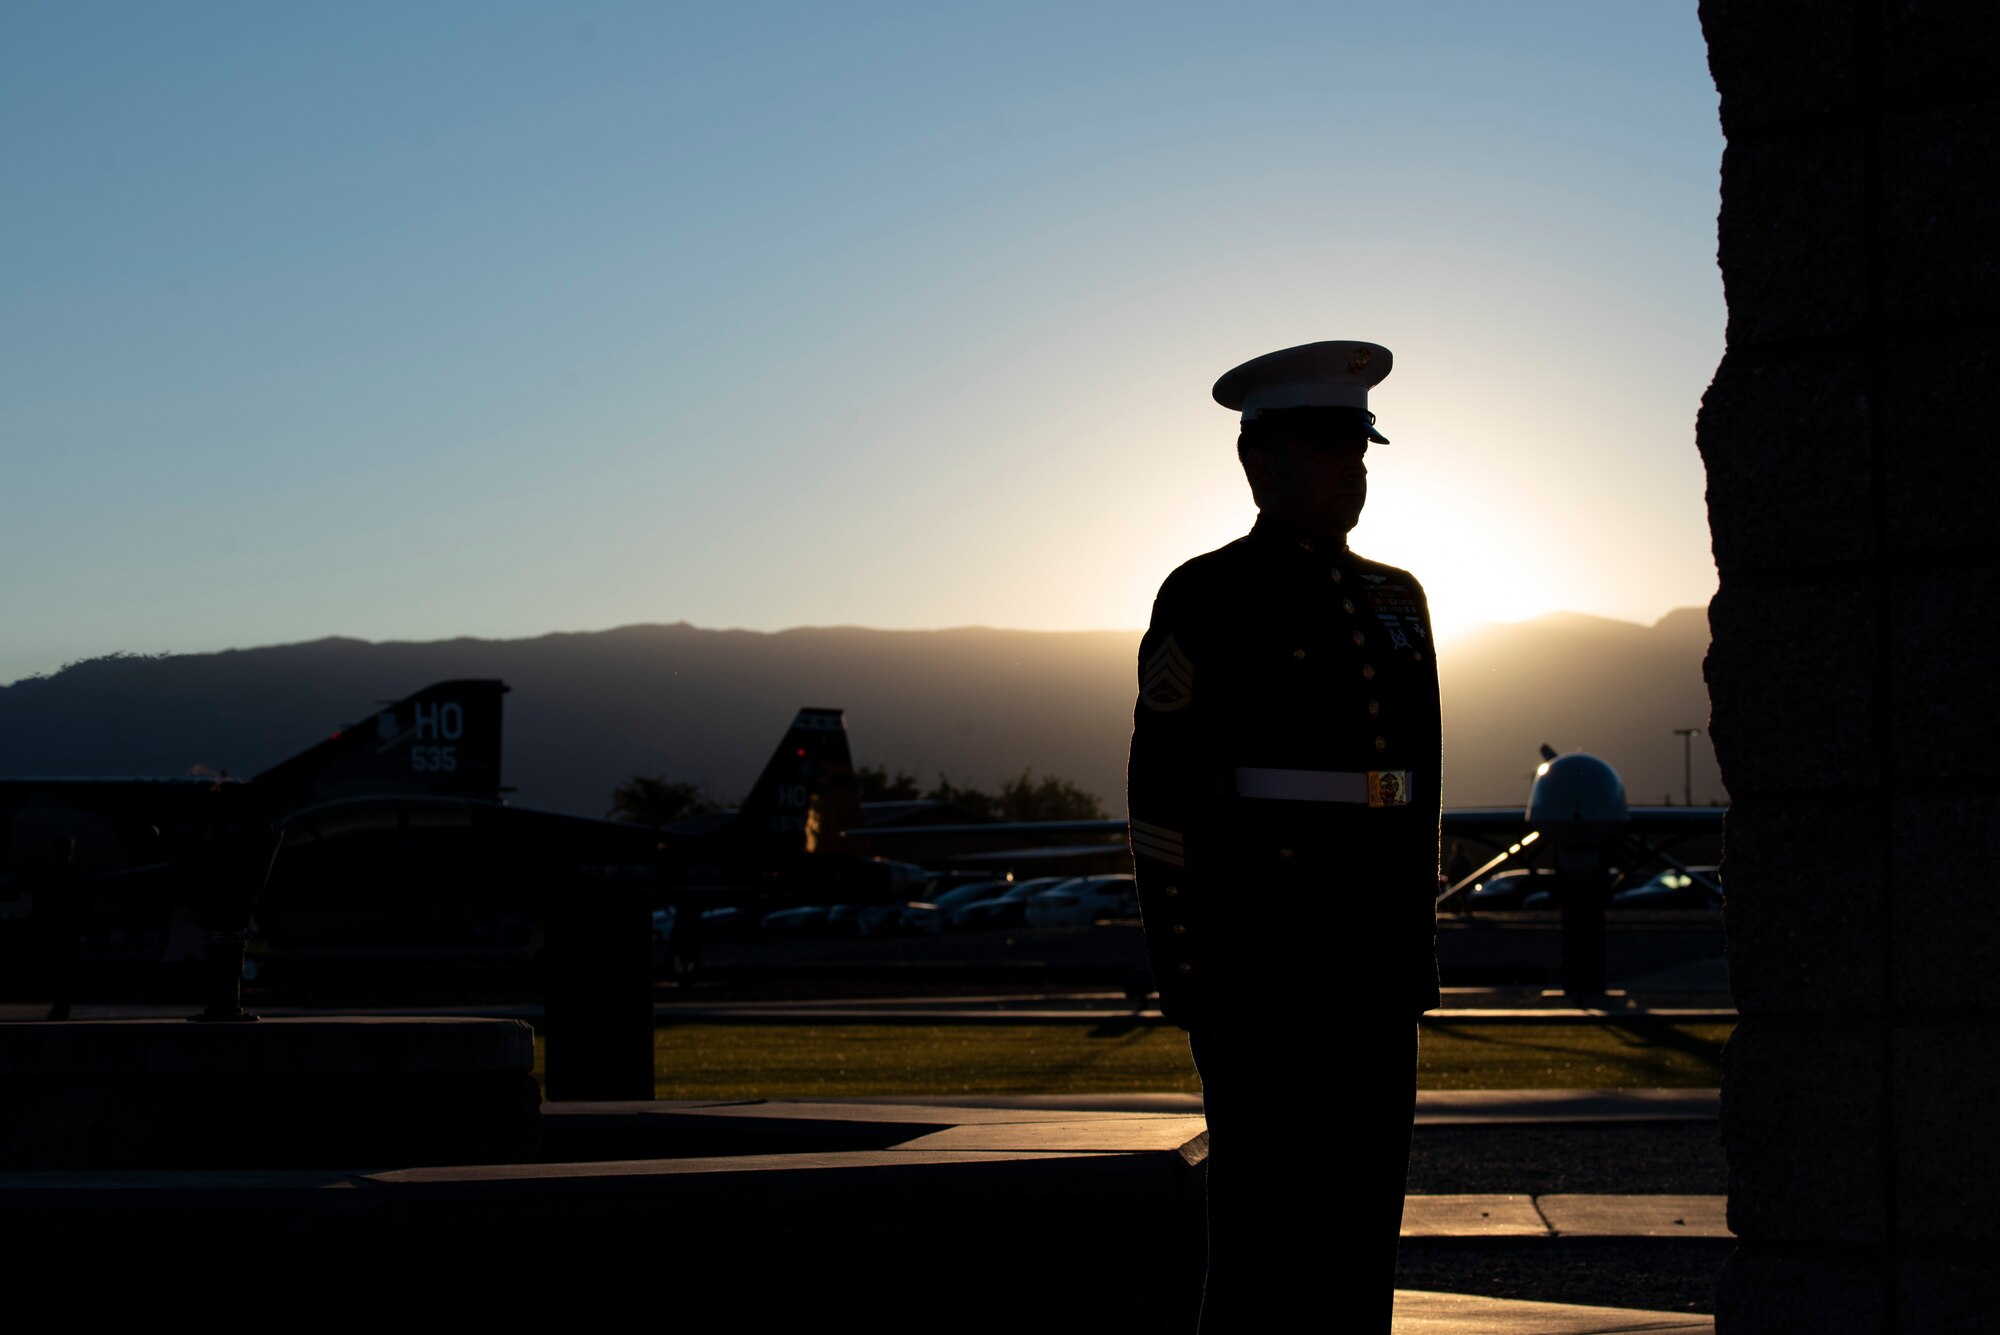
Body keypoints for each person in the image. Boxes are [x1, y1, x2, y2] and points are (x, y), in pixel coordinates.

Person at [1127, 340, 1442, 1332]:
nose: (1350, 471)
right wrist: (1188, 968)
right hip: (1263, 963)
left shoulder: (1396, 598)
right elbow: (1161, 794)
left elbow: (1412, 789)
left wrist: (1414, 949)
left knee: (1358, 1247)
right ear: (1257, 462)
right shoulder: (1208, 595)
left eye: (1357, 450)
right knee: (1264, 1250)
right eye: (1324, 449)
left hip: (1372, 968)